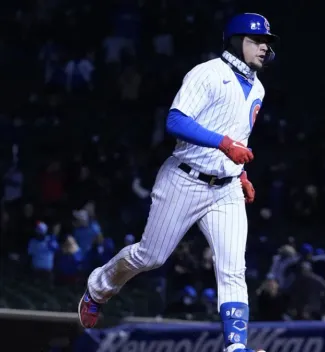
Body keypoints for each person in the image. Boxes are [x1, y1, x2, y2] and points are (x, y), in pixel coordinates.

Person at [78, 12, 278, 352]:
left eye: (266, 43)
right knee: (149, 257)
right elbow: (175, 121)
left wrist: (240, 173)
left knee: (232, 269)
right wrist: (223, 145)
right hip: (184, 180)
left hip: (225, 188)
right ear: (234, 41)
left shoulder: (257, 87)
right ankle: (98, 287)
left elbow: (238, 135)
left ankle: (235, 347)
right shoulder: (207, 73)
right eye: (255, 40)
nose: (263, 47)